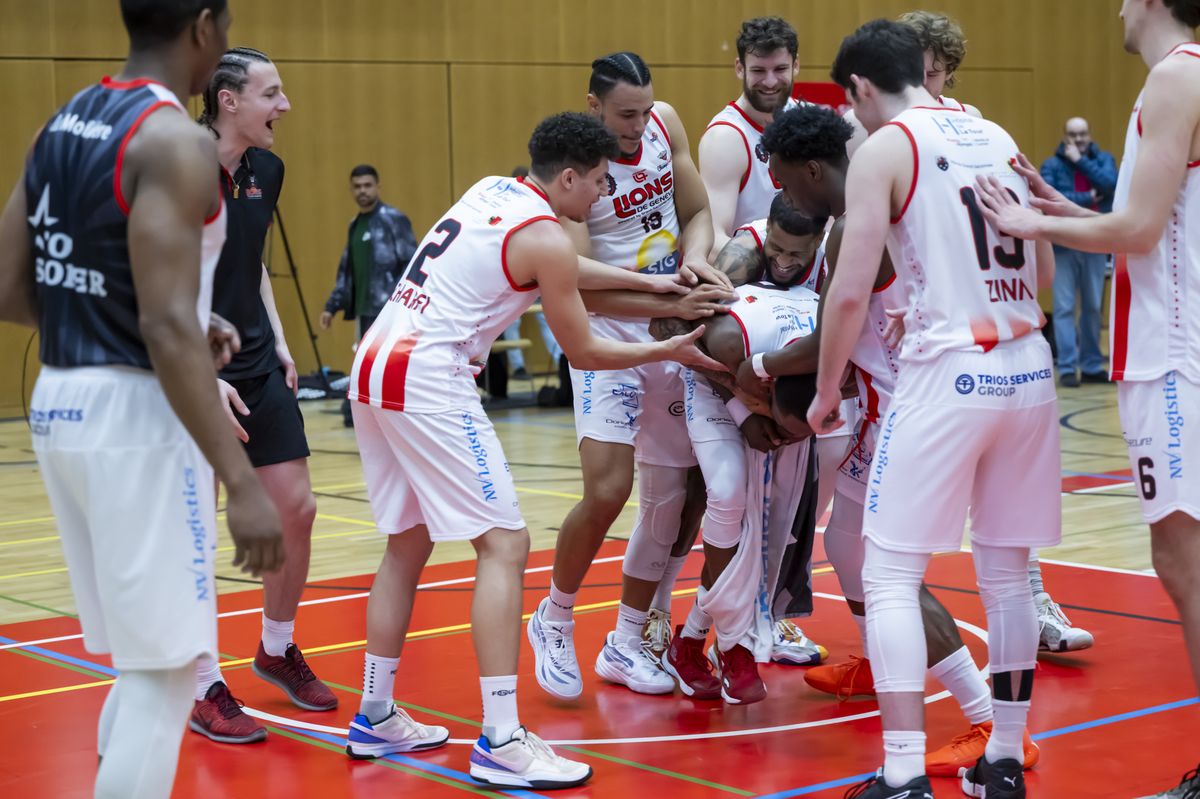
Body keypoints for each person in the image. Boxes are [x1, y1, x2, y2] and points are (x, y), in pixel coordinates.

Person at [341, 111, 721, 789]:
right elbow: (582, 346)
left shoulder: (496, 191)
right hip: (429, 375)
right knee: (507, 546)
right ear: (568, 176)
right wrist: (665, 343)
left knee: (407, 542)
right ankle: (501, 737)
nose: (605, 195)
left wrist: (659, 288)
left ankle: (375, 712)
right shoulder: (545, 233)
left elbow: (566, 269)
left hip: (374, 364)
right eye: (600, 181)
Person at [0, 1, 284, 796]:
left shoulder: (61, 122)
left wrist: (196, 322)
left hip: (58, 400)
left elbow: (12, 287)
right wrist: (242, 482)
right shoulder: (176, 141)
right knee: (166, 677)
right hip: (136, 419)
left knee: (140, 663)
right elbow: (161, 321)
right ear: (203, 27)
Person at [808, 20, 1060, 797]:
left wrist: (823, 393)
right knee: (1008, 575)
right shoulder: (996, 132)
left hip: (949, 374)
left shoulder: (887, 146)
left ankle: (903, 772)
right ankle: (1005, 759)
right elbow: (1043, 264)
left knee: (887, 571)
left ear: (858, 90)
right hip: (1030, 368)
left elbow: (849, 290)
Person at [751, 104, 1038, 778]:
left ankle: (991, 722)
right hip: (941, 390)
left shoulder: (858, 220)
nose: (786, 198)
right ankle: (891, 662)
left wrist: (756, 366)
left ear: (814, 168)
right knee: (849, 547)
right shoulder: (896, 200)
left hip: (910, 409)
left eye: (788, 184)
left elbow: (831, 339)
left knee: (890, 573)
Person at [973, 2, 1200, 795]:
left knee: (1184, 561)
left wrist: (1031, 218)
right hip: (1172, 348)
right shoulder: (1178, 79)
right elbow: (1152, 221)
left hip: (1174, 357)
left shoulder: (1177, 77)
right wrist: (1064, 211)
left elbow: (1138, 232)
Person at [848, 8, 1095, 657]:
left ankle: (1015, 614)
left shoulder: (973, 127)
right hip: (910, 324)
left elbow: (1020, 246)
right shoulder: (877, 130)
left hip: (959, 338)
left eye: (940, 73)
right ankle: (882, 639)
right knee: (878, 520)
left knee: (965, 537)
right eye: (922, 71)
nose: (931, 83)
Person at [526, 52, 733, 701]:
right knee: (608, 488)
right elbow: (585, 291)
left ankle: (626, 637)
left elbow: (696, 211)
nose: (639, 124)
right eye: (625, 114)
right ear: (594, 108)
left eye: (645, 109)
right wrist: (672, 301)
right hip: (610, 334)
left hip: (672, 326)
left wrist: (696, 260)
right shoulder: (576, 172)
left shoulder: (665, 126)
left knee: (674, 498)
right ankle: (553, 617)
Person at [189, 46, 337, 745]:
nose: (284, 106)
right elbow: (150, 281)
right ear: (228, 99)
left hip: (251, 360)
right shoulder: (177, 165)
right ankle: (201, 686)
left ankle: (275, 647)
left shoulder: (265, 170)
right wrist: (197, 369)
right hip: (186, 364)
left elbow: (252, 265)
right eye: (271, 93)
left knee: (297, 509)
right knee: (196, 527)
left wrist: (277, 337)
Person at [654, 202, 828, 704]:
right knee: (728, 497)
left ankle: (689, 643)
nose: (785, 261)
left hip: (778, 400)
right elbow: (667, 329)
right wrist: (743, 407)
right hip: (716, 389)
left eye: (798, 253)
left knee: (770, 532)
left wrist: (801, 417)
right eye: (777, 248)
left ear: (818, 242)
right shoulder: (743, 256)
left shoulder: (833, 261)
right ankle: (735, 647)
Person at [321, 164, 418, 426]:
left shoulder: (393, 220)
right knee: (369, 364)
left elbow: (413, 266)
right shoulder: (355, 225)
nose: (362, 191)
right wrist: (332, 305)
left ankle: (389, 414)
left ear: (377, 186)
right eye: (357, 186)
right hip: (365, 310)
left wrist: (406, 309)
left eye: (367, 185)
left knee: (385, 366)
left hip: (390, 310)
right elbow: (347, 270)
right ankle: (367, 413)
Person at [700, 16, 799, 254]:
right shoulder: (725, 138)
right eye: (758, 70)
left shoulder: (804, 117)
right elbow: (713, 241)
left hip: (802, 273)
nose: (770, 81)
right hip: (750, 278)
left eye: (780, 69)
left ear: (795, 65)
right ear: (739, 68)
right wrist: (781, 266)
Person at [1039, 116, 1118, 387]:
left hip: (1096, 244)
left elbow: (1110, 186)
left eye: (1083, 133)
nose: (1079, 139)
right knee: (1063, 308)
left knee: (1093, 307)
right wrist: (1087, 198)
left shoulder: (1103, 159)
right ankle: (1069, 367)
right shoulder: (1051, 165)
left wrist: (1080, 161)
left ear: (1090, 134)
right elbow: (1051, 200)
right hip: (1063, 245)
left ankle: (1093, 365)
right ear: (1065, 136)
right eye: (1073, 134)